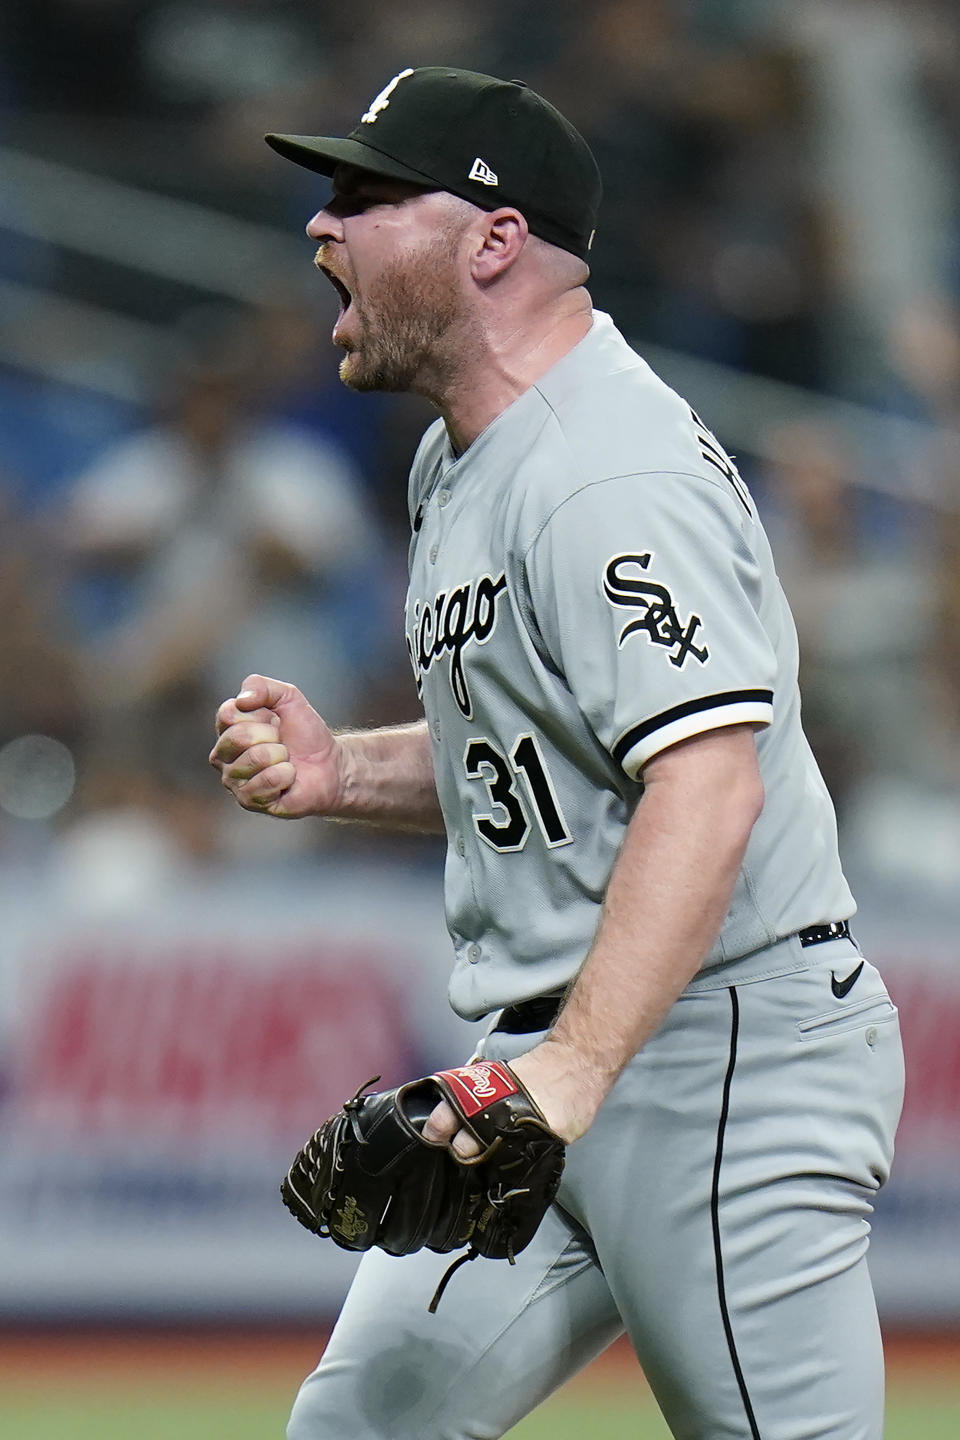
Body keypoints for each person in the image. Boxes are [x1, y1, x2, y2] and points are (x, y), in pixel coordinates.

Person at [210, 66, 904, 1440]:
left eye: (366, 194)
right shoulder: (463, 460)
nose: (321, 225)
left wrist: (568, 1081)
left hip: (722, 1056)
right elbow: (545, 751)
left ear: (492, 240)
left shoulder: (607, 476)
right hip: (558, 1058)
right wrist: (345, 771)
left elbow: (708, 788)